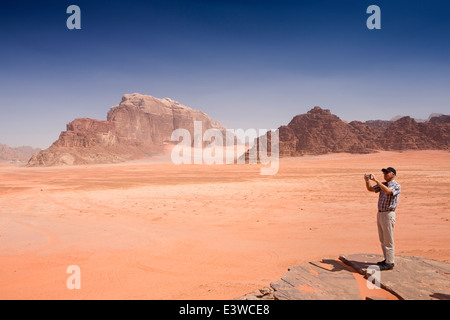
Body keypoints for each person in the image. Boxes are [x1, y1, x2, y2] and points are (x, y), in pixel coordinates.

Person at [364, 167, 401, 270]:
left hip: (388, 214)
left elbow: (389, 191)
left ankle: (390, 263)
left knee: (388, 239)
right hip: (380, 214)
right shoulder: (383, 184)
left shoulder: (396, 186)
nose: (385, 174)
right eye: (384, 173)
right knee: (383, 238)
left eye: (387, 173)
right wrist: (367, 181)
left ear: (393, 174)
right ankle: (386, 259)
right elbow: (371, 189)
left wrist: (377, 181)